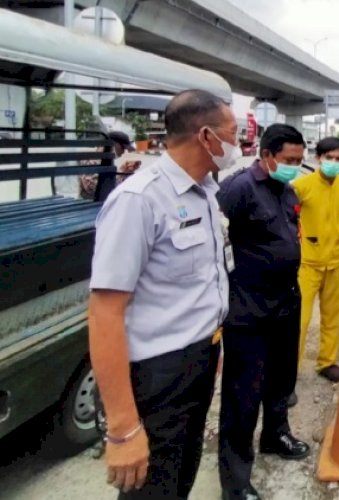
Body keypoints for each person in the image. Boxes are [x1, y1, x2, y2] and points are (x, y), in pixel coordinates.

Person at [88, 89, 235, 499]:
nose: (238, 145)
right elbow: (104, 313)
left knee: (180, 476)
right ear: (206, 136)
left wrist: (210, 346)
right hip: (157, 374)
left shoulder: (205, 192)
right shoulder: (139, 200)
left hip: (199, 359)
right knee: (153, 486)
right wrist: (122, 428)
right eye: (233, 134)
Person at [216, 124, 310, 500]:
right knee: (243, 394)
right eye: (289, 159)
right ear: (267, 154)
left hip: (286, 301)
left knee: (281, 381)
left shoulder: (287, 191)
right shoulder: (238, 189)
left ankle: (276, 435)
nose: (294, 167)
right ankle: (235, 482)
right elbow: (215, 241)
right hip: (249, 309)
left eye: (299, 161)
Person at [293, 137, 339, 382]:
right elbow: (290, 217)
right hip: (307, 262)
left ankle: (327, 362)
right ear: (319, 158)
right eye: (329, 158)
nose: (333, 162)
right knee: (299, 320)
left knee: (332, 315)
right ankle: (289, 373)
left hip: (336, 259)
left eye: (338, 159)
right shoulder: (301, 186)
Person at [79, 131, 142, 201]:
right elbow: (92, 187)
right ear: (115, 145)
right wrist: (121, 172)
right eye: (123, 148)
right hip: (91, 201)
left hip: (101, 200)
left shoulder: (106, 158)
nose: (123, 152)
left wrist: (124, 172)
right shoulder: (96, 158)